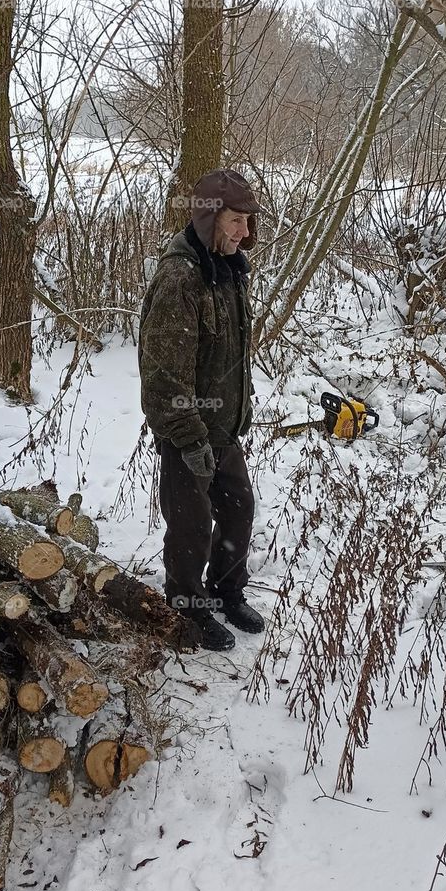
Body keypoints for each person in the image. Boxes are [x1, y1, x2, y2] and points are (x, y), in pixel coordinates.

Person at [138, 168, 266, 651]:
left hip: (222, 428)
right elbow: (163, 373)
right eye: (235, 221)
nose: (243, 232)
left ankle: (226, 594)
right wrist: (188, 438)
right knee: (191, 526)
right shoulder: (180, 277)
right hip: (185, 432)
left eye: (248, 222)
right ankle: (186, 607)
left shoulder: (229, 271)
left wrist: (234, 416)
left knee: (238, 511)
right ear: (210, 218)